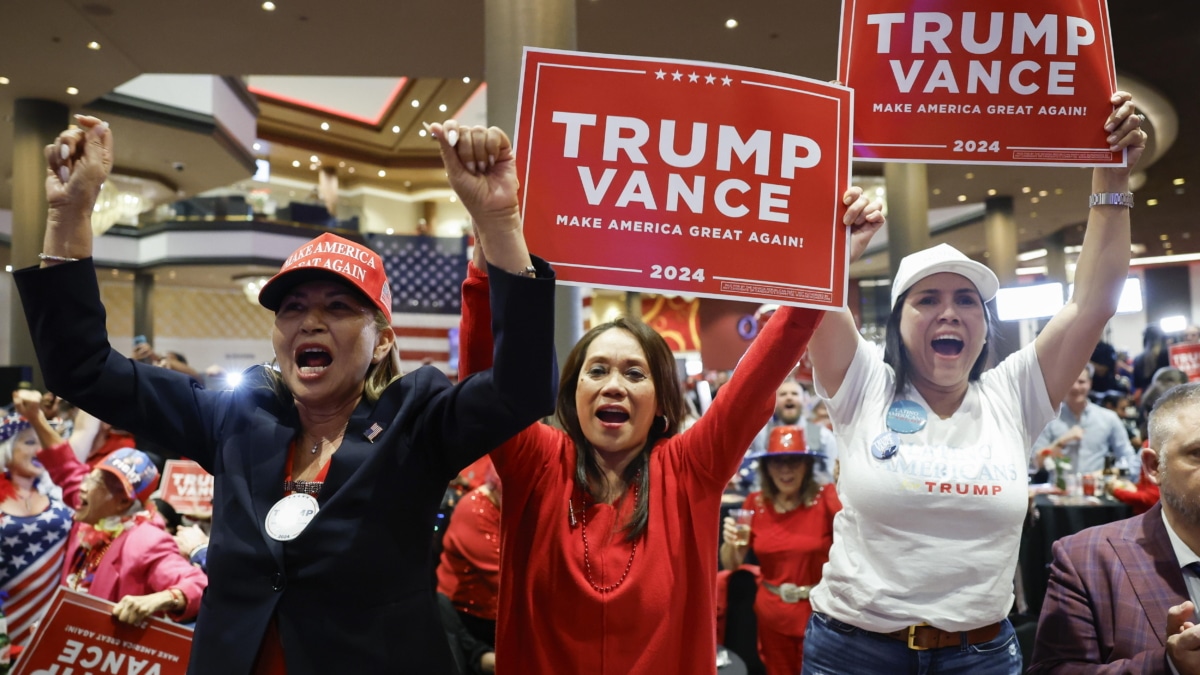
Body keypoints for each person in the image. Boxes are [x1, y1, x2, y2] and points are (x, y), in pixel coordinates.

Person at [15, 115, 557, 674]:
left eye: (338, 308)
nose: (309, 322)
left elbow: (522, 388)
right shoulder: (236, 414)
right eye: (293, 308)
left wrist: (497, 220)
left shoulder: (414, 418)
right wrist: (68, 216)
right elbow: (81, 367)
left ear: (381, 342)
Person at [458, 171, 880, 674]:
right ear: (573, 393)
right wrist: (489, 240)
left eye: (634, 373)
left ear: (661, 402)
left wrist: (826, 268)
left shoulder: (690, 469)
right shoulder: (537, 462)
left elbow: (758, 375)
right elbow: (485, 386)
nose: (614, 384)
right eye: (597, 370)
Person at [800, 92, 1146, 675]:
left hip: (980, 656)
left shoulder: (1014, 393)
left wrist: (1110, 176)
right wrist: (834, 250)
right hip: (854, 652)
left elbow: (1092, 303)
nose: (949, 313)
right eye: (927, 300)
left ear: (986, 328)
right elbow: (812, 300)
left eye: (967, 301)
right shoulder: (863, 382)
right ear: (897, 322)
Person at [1028, 382, 1200, 674]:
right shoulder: (1087, 560)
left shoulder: (1106, 421)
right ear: (1153, 466)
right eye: (1197, 453)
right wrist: (1167, 665)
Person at [719, 425, 840, 675]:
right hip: (772, 614)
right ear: (766, 467)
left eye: (794, 461)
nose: (786, 469)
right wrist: (730, 542)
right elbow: (731, 563)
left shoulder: (826, 497)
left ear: (806, 465)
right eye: (777, 462)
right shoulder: (756, 503)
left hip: (820, 615)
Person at [0, 408, 73, 647]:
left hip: (55, 619)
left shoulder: (56, 492)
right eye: (30, 442)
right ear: (7, 449)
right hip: (7, 618)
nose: (39, 450)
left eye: (41, 443)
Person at [436, 472, 501, 675]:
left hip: (494, 622)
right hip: (466, 620)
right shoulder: (475, 510)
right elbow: (504, 578)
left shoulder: (503, 505)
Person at [1032, 365, 1138, 474]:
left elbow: (1129, 460)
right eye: (1070, 381)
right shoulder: (1049, 418)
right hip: (1058, 489)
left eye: (1081, 382)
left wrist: (1107, 473)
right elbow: (1035, 462)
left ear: (1090, 383)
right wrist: (1061, 442)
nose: (1075, 387)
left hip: (1097, 488)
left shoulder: (1109, 418)